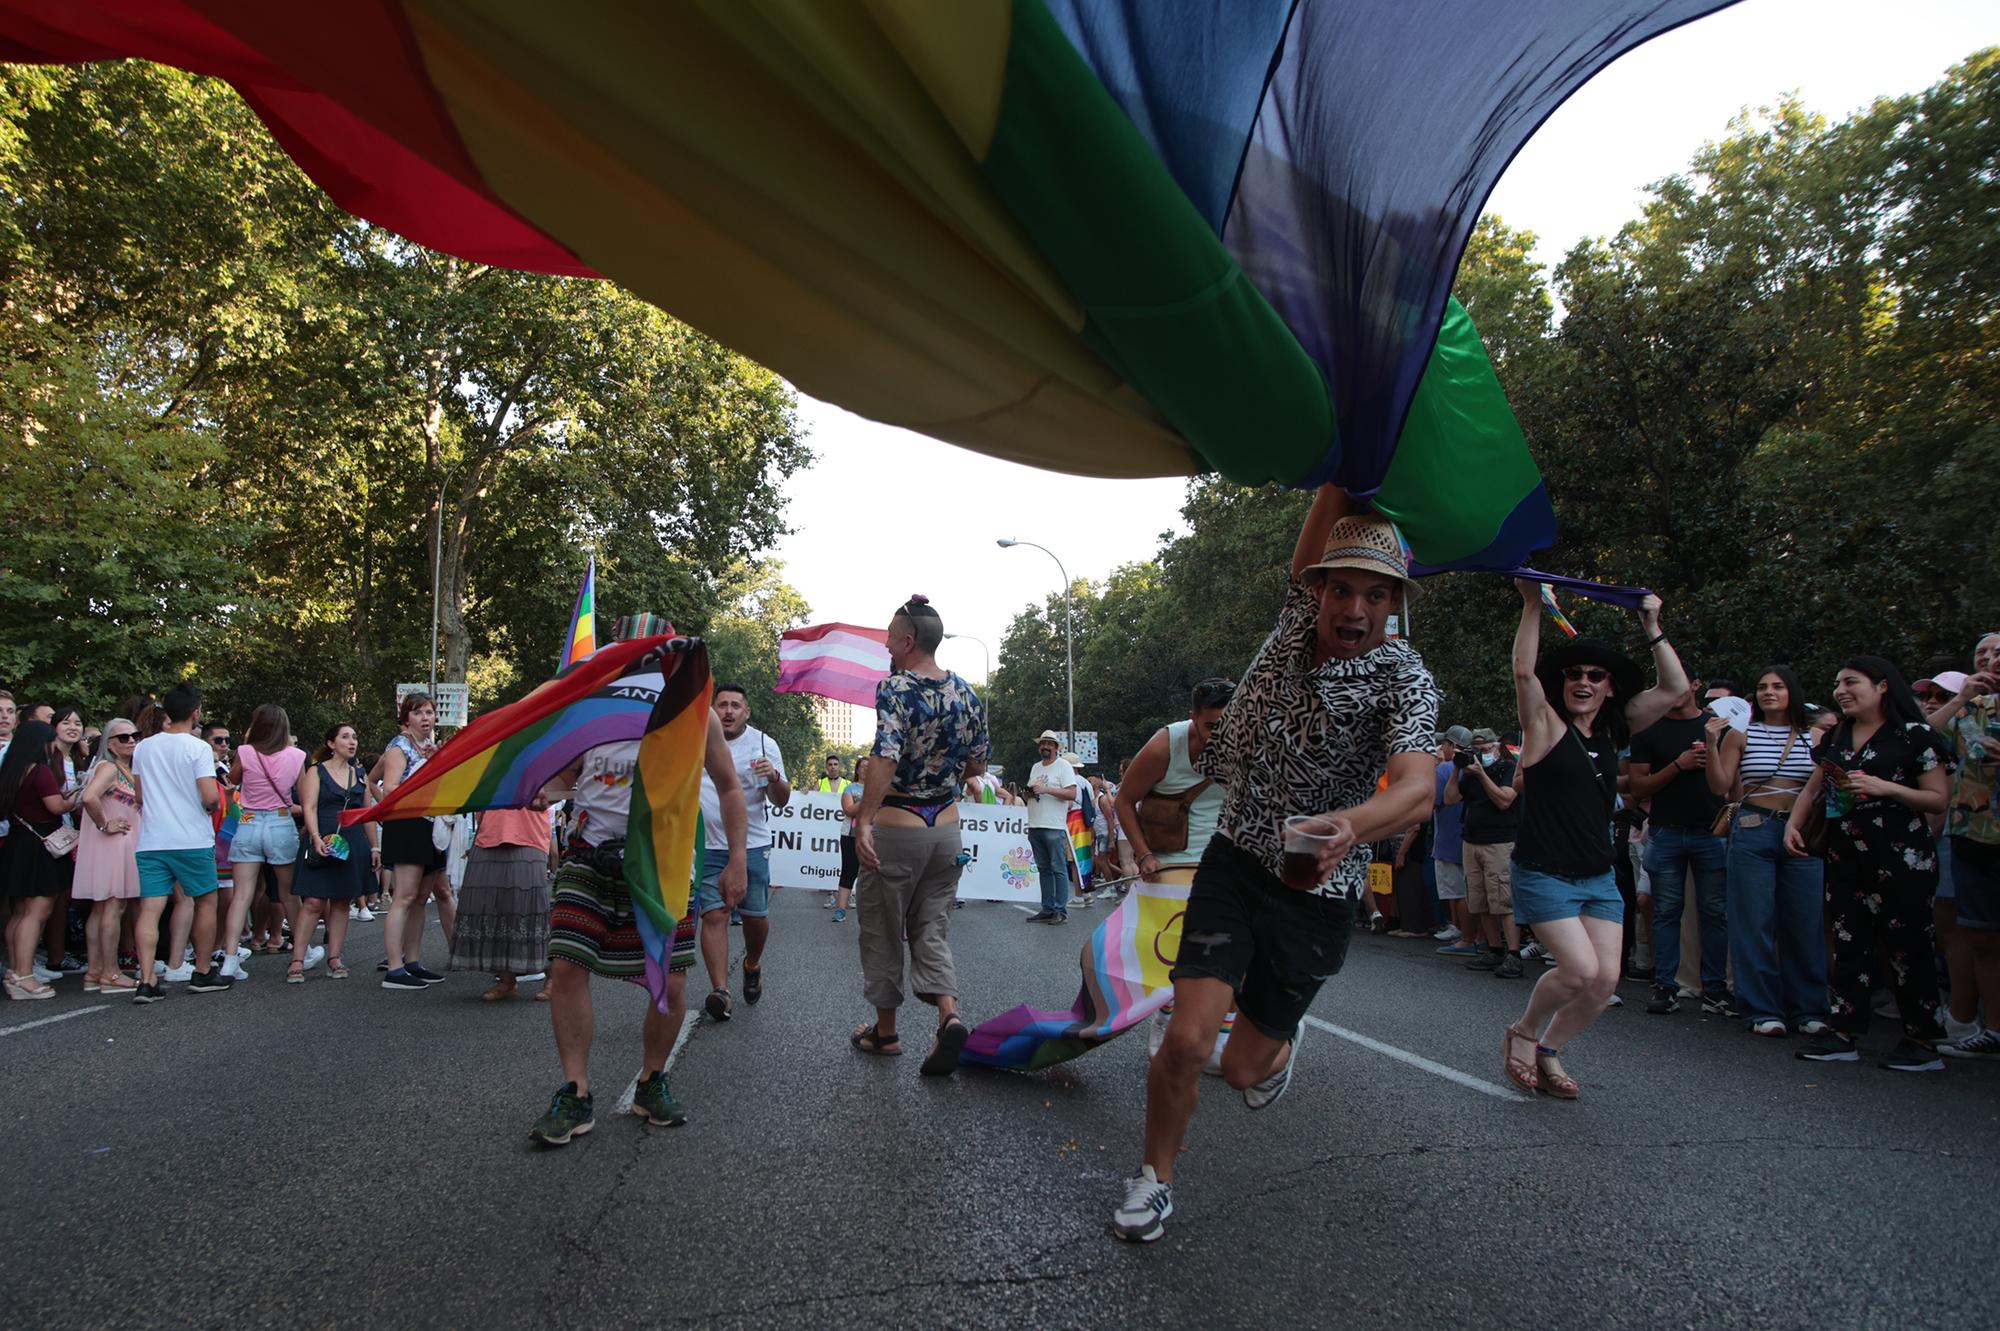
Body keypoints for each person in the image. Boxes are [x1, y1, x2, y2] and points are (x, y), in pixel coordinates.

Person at [1115, 489, 1437, 1243]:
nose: (1354, 606)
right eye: (1342, 588)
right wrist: (1344, 466)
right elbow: (1319, 524)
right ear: (1318, 591)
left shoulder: (1405, 677)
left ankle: (1276, 1048)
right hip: (1235, 858)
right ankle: (1154, 1179)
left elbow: (1419, 789)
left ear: (1392, 604)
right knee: (1189, 1038)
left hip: (1320, 889)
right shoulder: (1295, 626)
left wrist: (1347, 829)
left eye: (1375, 593)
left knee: (1241, 1068)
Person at [529, 636, 749, 1145]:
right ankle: (575, 1090)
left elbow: (730, 787)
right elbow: (565, 779)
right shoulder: (591, 708)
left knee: (671, 983)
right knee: (565, 966)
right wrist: (547, 790)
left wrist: (736, 861)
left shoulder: (695, 715)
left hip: (664, 866)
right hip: (590, 855)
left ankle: (653, 1081)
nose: (645, 666)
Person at [1500, 581, 1687, 1097]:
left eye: (1595, 675)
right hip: (1544, 871)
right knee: (1578, 969)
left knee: (1604, 983)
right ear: (1561, 683)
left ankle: (1548, 1050)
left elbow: (1674, 689)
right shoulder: (1544, 724)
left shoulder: (1612, 732)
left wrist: (1652, 626)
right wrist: (1533, 603)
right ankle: (1523, 1030)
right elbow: (1521, 670)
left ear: (1608, 687)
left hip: (1598, 874)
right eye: (1574, 674)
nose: (1583, 680)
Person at [1785, 657, 1952, 1072]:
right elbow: (1814, 785)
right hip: (1845, 853)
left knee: (1908, 946)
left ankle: (1922, 1040)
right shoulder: (1838, 734)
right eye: (1838, 683)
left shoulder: (1916, 736)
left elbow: (1937, 799)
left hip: (1902, 857)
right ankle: (1844, 1032)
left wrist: (1886, 787)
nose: (1841, 690)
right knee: (1848, 944)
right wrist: (1794, 822)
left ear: (1882, 686)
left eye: (1851, 682)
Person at [847, 595, 989, 1075]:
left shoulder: (896, 688)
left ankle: (885, 1033)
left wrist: (864, 818)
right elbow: (978, 763)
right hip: (946, 830)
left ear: (908, 642)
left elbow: (885, 756)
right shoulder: (967, 693)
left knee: (883, 930)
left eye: (889, 636)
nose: (886, 643)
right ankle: (949, 1016)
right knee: (931, 927)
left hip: (899, 827)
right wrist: (941, 763)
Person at [1705, 665, 1828, 1037]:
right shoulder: (1741, 733)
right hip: (1753, 827)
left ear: (1792, 690)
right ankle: (1761, 1010)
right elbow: (1719, 786)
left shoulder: (1817, 735)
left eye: (1777, 686)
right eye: (1761, 687)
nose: (1768, 692)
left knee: (1805, 922)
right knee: (1753, 921)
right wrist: (1711, 743)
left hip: (1804, 831)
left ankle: (1808, 1009)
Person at [1628, 674, 1732, 1017]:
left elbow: (1730, 784)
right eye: (1663, 685)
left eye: (1678, 683)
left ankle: (1715, 989)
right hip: (1666, 832)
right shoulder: (1649, 730)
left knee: (1714, 912)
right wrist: (1678, 765)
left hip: (1711, 832)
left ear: (1697, 684)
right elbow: (1639, 787)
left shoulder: (1717, 726)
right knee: (1666, 911)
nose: (1671, 691)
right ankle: (1666, 986)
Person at [1923, 635, 2000, 1059]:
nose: (1988, 659)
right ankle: (1991, 1030)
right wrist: (1959, 699)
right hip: (1972, 834)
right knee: (1982, 936)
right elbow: (1919, 736)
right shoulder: (1971, 707)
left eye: (1997, 652)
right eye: (1981, 655)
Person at [129, 684, 231, 1002]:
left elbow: (140, 796)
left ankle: (146, 980)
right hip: (190, 838)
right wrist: (211, 805)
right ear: (196, 712)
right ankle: (201, 971)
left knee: (150, 907)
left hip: (152, 839)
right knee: (205, 901)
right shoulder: (198, 748)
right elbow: (210, 796)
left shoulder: (143, 748)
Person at [695, 682, 789, 1020]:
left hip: (752, 844)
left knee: (755, 918)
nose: (729, 711)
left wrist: (775, 777)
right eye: (722, 705)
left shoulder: (763, 743)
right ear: (713, 709)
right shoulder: (695, 736)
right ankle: (720, 990)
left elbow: (781, 799)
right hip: (707, 844)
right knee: (714, 914)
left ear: (746, 711)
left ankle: (752, 962)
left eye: (736, 705)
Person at [221, 704, 309, 980]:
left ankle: (230, 957)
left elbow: (232, 780)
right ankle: (302, 951)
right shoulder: (297, 756)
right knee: (288, 893)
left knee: (242, 895)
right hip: (280, 822)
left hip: (248, 822)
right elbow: (306, 799)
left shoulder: (246, 752)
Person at [375, 692, 449, 991]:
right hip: (407, 824)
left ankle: (413, 961)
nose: (426, 718)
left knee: (421, 897)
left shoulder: (430, 748)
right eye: (419, 713)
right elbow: (390, 788)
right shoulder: (399, 747)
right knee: (404, 896)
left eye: (430, 712)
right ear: (407, 718)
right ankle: (394, 967)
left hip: (431, 824)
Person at [2, 720, 81, 999]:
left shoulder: (12, 770)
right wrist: (74, 798)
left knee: (20, 912)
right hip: (41, 844)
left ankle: (15, 971)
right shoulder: (40, 771)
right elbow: (56, 807)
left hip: (18, 841)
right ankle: (24, 976)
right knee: (36, 912)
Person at [293, 723, 376, 982]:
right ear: (331, 744)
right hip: (322, 838)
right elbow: (309, 807)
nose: (352, 742)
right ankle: (297, 959)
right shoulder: (316, 771)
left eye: (354, 737)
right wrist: (315, 837)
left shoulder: (361, 775)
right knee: (313, 902)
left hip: (352, 842)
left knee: (341, 901)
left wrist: (374, 846)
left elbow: (367, 815)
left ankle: (335, 957)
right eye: (345, 737)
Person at [449, 802, 555, 1000]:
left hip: (528, 833)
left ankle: (552, 977)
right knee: (493, 908)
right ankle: (506, 979)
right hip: (489, 832)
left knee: (530, 909)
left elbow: (558, 787)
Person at [73, 718, 143, 993]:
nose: (130, 741)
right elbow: (90, 797)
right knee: (113, 906)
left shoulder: (122, 768)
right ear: (109, 743)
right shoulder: (109, 767)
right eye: (122, 737)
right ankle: (111, 973)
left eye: (133, 735)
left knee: (103, 907)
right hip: (114, 843)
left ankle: (96, 970)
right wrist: (105, 824)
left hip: (113, 843)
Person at [1448, 725, 1524, 976]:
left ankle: (1513, 954)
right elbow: (1449, 799)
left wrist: (1482, 775)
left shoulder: (1508, 768)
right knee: (1479, 900)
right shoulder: (1470, 772)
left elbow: (1504, 800)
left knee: (1503, 900)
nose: (1481, 754)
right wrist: (1457, 769)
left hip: (1500, 842)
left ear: (1497, 747)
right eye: (1476, 750)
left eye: (1485, 749)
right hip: (1472, 841)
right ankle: (1494, 949)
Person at [1430, 726, 1479, 955]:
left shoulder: (1443, 771)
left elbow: (1434, 802)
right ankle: (1478, 937)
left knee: (1459, 892)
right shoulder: (1480, 766)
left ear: (1451, 745)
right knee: (1476, 891)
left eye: (1444, 744)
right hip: (1477, 838)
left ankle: (1465, 938)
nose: (1442, 748)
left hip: (1449, 839)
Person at [1023, 730, 1078, 924]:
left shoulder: (1063, 766)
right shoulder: (1036, 767)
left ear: (1056, 748)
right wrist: (1028, 794)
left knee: (1058, 868)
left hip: (1053, 825)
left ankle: (1060, 910)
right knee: (1043, 868)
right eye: (1042, 743)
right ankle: (1047, 908)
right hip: (1035, 823)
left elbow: (1072, 794)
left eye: (1049, 743)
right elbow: (1033, 791)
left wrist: (1046, 789)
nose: (1045, 746)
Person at [832, 756, 866, 923]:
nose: (867, 770)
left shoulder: (882, 789)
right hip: (850, 835)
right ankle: (841, 909)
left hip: (876, 836)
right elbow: (849, 810)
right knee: (848, 871)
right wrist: (869, 799)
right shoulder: (850, 789)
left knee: (874, 874)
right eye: (863, 767)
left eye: (870, 767)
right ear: (857, 770)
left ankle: (871, 912)